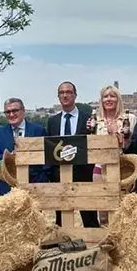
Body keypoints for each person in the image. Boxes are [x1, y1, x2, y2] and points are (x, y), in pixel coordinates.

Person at [46, 81, 99, 228]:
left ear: (75, 95)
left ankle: (93, 246)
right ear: (58, 97)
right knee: (61, 217)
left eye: (68, 92)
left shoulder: (88, 118)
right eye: (62, 93)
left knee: (89, 217)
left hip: (83, 174)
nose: (65, 95)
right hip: (59, 175)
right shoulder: (52, 121)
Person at [92, 85, 137, 225]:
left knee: (122, 208)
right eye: (105, 96)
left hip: (123, 167)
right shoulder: (95, 120)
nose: (109, 99)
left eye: (112, 96)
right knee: (103, 209)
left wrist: (114, 134)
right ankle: (106, 242)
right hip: (100, 167)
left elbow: (131, 145)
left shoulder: (129, 118)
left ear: (118, 99)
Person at [0, 97, 49, 196]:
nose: (11, 114)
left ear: (23, 111)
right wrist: (10, 156)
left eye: (15, 111)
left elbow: (47, 158)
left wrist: (43, 179)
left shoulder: (39, 131)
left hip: (34, 186)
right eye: (7, 112)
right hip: (7, 188)